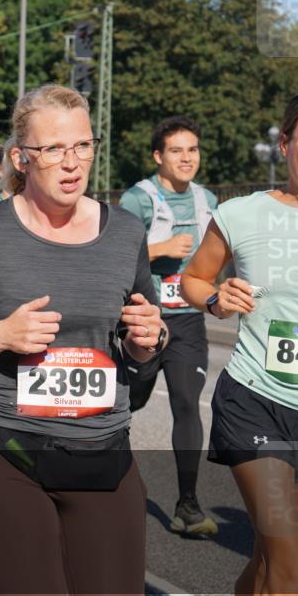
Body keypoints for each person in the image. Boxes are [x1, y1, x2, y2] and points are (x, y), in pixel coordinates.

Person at [0, 85, 166, 596]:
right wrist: (1, 334)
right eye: (53, 150)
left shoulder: (126, 232)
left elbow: (138, 345)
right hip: (5, 453)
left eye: (83, 146)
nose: (71, 163)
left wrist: (147, 341)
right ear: (22, 158)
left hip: (103, 454)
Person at [182, 88, 298, 596]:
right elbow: (192, 279)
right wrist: (217, 298)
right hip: (256, 401)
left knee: (272, 555)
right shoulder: (241, 215)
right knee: (293, 564)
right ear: (285, 144)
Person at [118, 115, 219, 536]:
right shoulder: (138, 199)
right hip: (144, 319)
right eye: (176, 150)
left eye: (192, 149)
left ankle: (187, 506)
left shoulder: (207, 199)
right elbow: (113, 251)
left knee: (185, 400)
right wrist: (158, 248)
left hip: (189, 320)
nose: (186, 157)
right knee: (131, 401)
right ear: (158, 156)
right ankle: (98, 472)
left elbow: (219, 255)